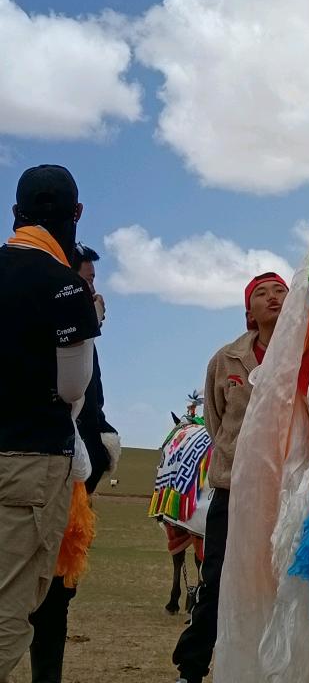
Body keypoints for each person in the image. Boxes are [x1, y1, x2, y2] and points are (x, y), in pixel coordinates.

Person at [0, 166, 101, 682]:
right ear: (76, 214)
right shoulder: (66, 287)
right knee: (9, 615)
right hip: (29, 463)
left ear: (15, 213)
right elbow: (71, 390)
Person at [173, 272, 289, 683]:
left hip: (289, 490)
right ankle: (191, 668)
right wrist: (241, 460)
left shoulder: (306, 352)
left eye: (281, 291)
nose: (273, 297)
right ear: (248, 312)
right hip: (234, 489)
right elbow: (215, 420)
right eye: (262, 293)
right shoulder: (226, 360)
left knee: (287, 582)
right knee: (218, 580)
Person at [28, 244, 121, 683]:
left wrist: (101, 453)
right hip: (32, 475)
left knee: (56, 601)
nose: (92, 289)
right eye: (85, 280)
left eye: (92, 281)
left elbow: (93, 411)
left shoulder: (85, 341)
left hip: (72, 487)